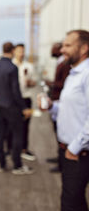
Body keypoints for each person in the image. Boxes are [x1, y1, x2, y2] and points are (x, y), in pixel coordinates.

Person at [39, 29, 89, 211]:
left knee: (70, 209)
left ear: (84, 48)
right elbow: (70, 108)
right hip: (68, 149)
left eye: (68, 45)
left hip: (78, 152)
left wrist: (74, 148)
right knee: (76, 204)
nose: (62, 49)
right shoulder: (73, 72)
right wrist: (51, 106)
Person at [0, 42, 33, 175]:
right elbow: (15, 90)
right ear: (13, 50)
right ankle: (17, 165)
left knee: (1, 135)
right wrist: (23, 107)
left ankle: (1, 163)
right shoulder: (12, 67)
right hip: (12, 106)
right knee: (17, 135)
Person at [46, 42, 71, 172]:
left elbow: (64, 83)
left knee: (60, 132)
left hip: (60, 100)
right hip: (57, 101)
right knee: (57, 132)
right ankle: (60, 158)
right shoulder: (62, 62)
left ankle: (62, 163)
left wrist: (52, 84)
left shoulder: (65, 64)